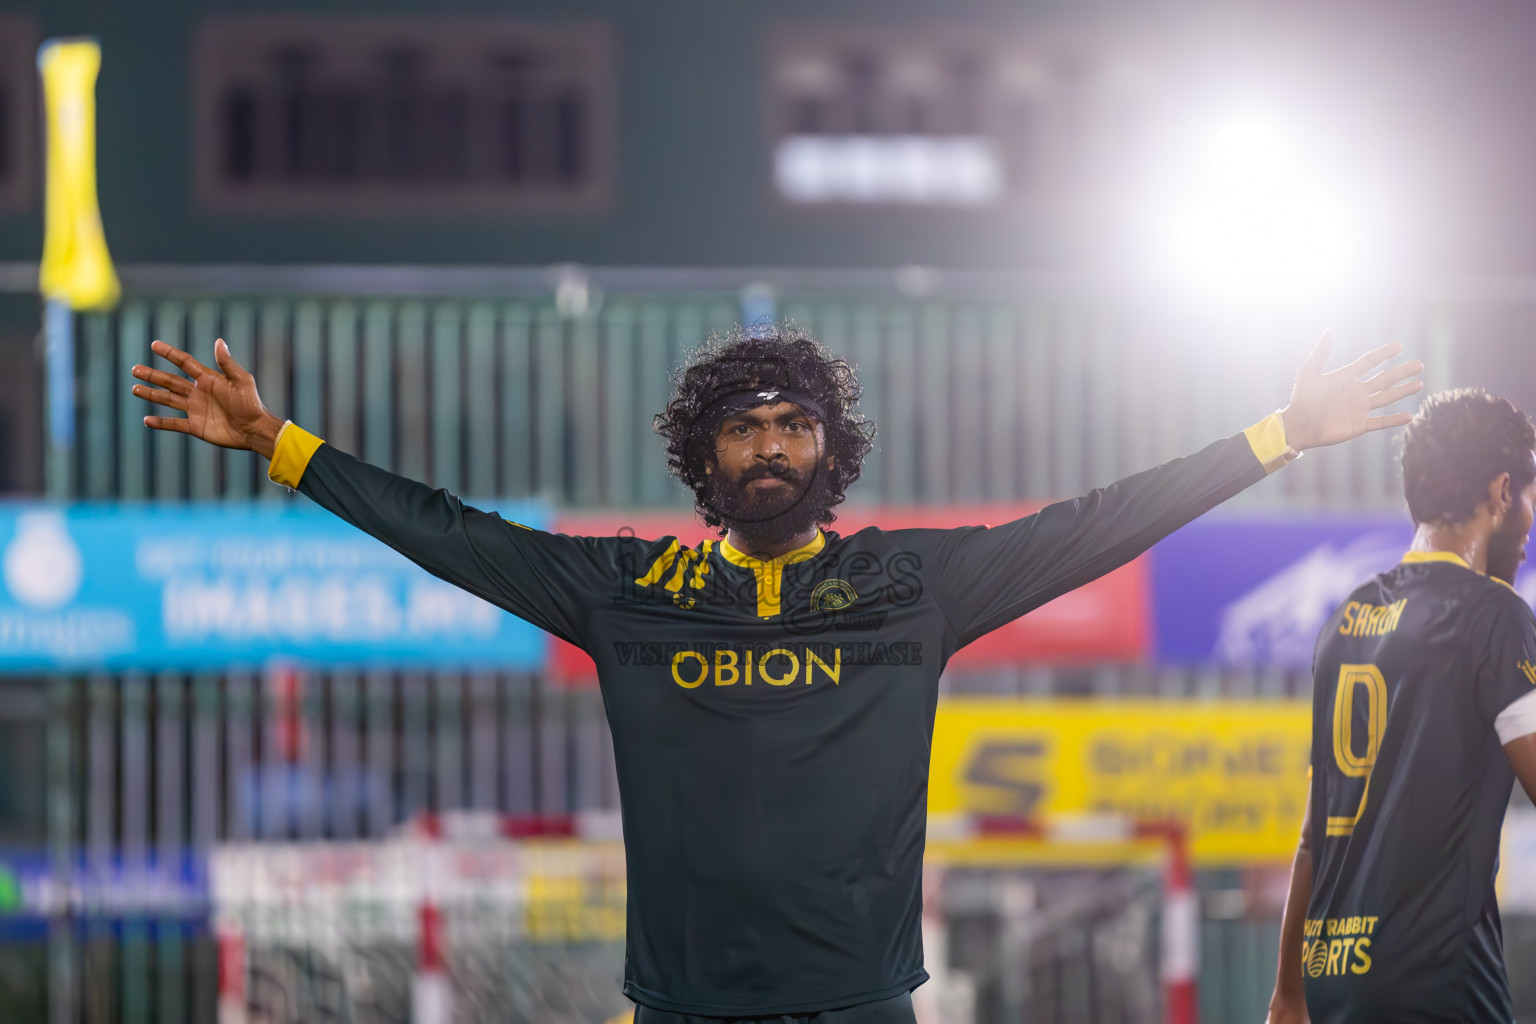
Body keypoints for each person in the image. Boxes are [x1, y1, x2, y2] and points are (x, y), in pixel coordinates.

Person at [133, 324, 1420, 1024]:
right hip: (683, 1011)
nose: (768, 443)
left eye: (792, 423)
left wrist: (1279, 435)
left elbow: (1095, 522)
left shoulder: (913, 587)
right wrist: (283, 445)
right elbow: (453, 533)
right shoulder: (625, 592)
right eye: (742, 424)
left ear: (829, 451)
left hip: (862, 1009)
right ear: (705, 456)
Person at [1265, 389, 1536, 1024]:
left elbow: (1313, 835)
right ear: (1501, 493)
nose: (1531, 521)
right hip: (1439, 986)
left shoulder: (1345, 621)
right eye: (1529, 495)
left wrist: (1289, 993)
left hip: (1334, 982)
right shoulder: (1493, 615)